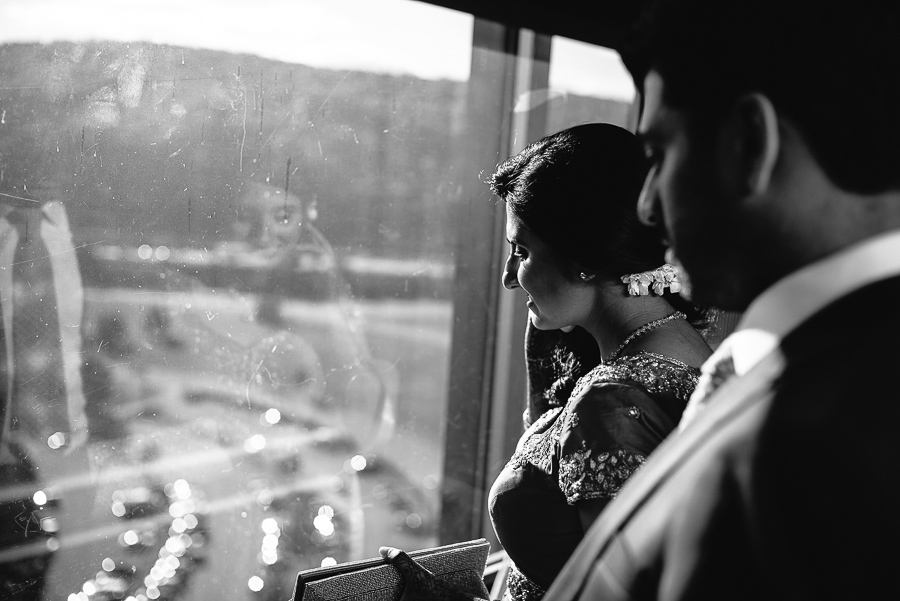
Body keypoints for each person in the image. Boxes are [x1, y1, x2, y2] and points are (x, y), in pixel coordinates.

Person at [539, 2, 900, 600]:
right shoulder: (821, 376)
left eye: (659, 154)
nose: (647, 206)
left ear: (748, 143)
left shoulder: (809, 448)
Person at [380, 123, 712, 600]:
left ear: (583, 256)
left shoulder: (612, 402)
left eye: (522, 251)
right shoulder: (691, 351)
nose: (508, 278)